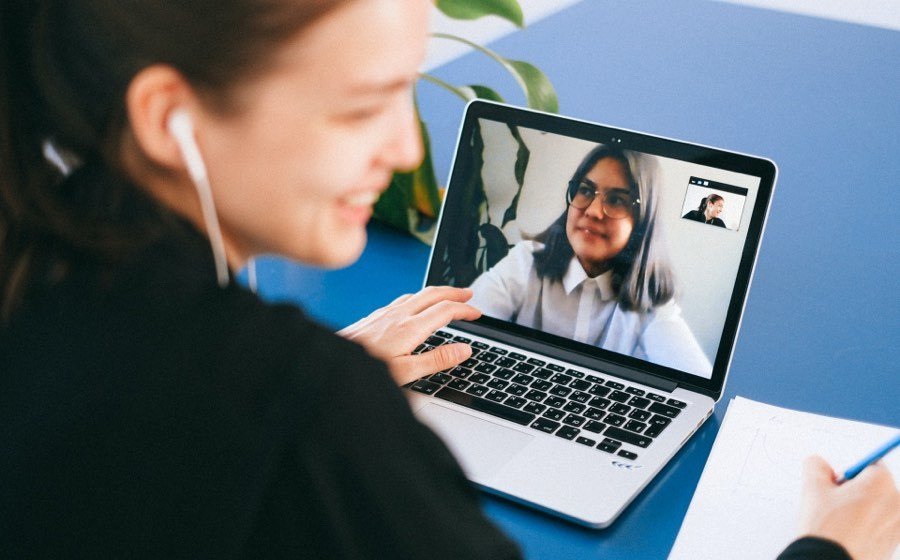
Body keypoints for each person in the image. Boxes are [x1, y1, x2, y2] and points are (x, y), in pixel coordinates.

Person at [0, 1, 896, 559]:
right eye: (359, 106)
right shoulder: (311, 410)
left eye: (407, 90)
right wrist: (825, 553)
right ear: (168, 115)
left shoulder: (35, 274)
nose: (403, 150)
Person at [469, 145, 713, 376]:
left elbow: (693, 383)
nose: (593, 211)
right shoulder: (526, 262)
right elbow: (462, 326)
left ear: (642, 220)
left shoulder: (651, 304)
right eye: (585, 190)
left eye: (616, 199)